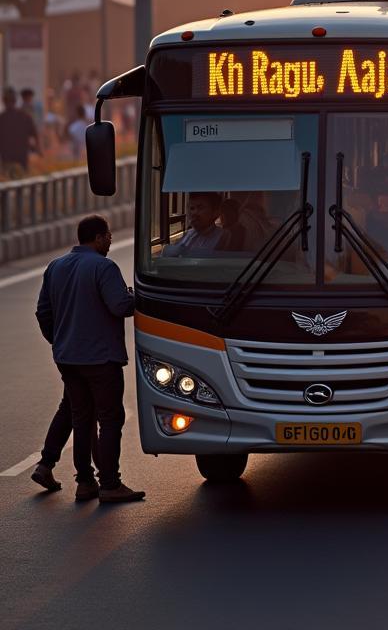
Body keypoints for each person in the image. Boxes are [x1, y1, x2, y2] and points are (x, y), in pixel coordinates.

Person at [34, 215, 144, 503]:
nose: (110, 241)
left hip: (67, 358)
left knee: (81, 418)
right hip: (100, 359)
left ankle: (85, 482)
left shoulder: (55, 266)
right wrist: (134, 296)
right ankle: (109, 484)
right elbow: (120, 306)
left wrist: (59, 342)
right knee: (110, 419)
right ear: (97, 238)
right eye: (107, 236)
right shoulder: (103, 267)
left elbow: (42, 312)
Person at [162, 192, 227, 257]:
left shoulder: (222, 236)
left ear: (216, 212)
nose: (194, 213)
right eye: (192, 208)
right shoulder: (189, 233)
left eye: (200, 208)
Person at [0, 85, 39, 176]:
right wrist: (38, 150)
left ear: (4, 101)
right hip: (21, 160)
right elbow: (35, 135)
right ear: (15, 101)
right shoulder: (25, 116)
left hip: (7, 160)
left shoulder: (2, 119)